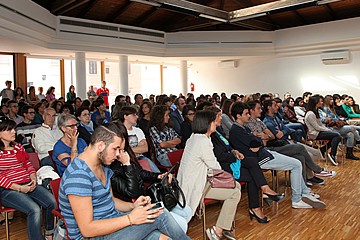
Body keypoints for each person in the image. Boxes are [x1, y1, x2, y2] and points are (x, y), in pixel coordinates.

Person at [59, 122, 190, 240]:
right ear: (100, 145)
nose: (118, 154)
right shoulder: (78, 176)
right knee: (160, 215)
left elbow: (111, 200)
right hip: (93, 236)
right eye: (115, 149)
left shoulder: (102, 166)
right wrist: (131, 218)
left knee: (160, 230)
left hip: (112, 224)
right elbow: (87, 230)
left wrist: (133, 206)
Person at [229, 102, 325, 209]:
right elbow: (256, 142)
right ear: (238, 115)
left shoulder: (243, 128)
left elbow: (259, 141)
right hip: (260, 158)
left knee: (297, 161)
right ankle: (297, 199)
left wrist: (258, 139)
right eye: (246, 113)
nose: (248, 116)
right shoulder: (236, 130)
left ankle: (304, 192)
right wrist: (258, 139)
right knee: (296, 164)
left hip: (264, 154)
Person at [110, 121, 192, 232]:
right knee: (181, 224)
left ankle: (170, 232)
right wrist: (127, 165)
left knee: (187, 212)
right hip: (131, 207)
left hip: (146, 199)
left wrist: (159, 176)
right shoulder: (110, 166)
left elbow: (141, 173)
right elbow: (132, 192)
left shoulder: (126, 151)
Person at [207, 106, 282, 224]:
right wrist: (234, 154)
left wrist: (234, 151)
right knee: (252, 174)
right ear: (211, 119)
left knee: (252, 161)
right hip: (224, 167)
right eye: (218, 116)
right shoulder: (210, 135)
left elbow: (228, 146)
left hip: (231, 160)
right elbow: (219, 156)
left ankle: (264, 190)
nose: (221, 118)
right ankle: (256, 205)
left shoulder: (218, 131)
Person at [178, 110, 240, 240]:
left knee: (237, 186)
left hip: (193, 182)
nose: (216, 124)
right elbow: (215, 167)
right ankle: (218, 230)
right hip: (197, 186)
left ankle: (224, 227)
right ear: (207, 123)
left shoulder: (194, 137)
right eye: (214, 121)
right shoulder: (203, 141)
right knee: (235, 192)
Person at [0, 116, 57, 240]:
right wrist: (19, 188)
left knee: (51, 202)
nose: (13, 132)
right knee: (34, 210)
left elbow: (27, 164)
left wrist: (33, 177)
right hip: (9, 189)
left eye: (13, 129)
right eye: (9, 130)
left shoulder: (17, 147)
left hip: (28, 182)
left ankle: (49, 232)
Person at [119, 106, 160, 172]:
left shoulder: (138, 130)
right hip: (125, 160)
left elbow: (145, 148)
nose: (137, 117)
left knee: (157, 173)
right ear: (125, 117)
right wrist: (138, 148)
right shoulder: (119, 131)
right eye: (133, 115)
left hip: (140, 157)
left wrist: (128, 149)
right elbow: (120, 150)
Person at [305, 95, 342, 166]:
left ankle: (323, 150)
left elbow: (320, 125)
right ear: (316, 102)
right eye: (321, 101)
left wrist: (327, 129)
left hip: (319, 131)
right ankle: (332, 154)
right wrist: (328, 130)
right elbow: (317, 127)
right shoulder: (310, 114)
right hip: (314, 134)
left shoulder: (316, 111)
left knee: (337, 136)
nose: (322, 103)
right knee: (336, 136)